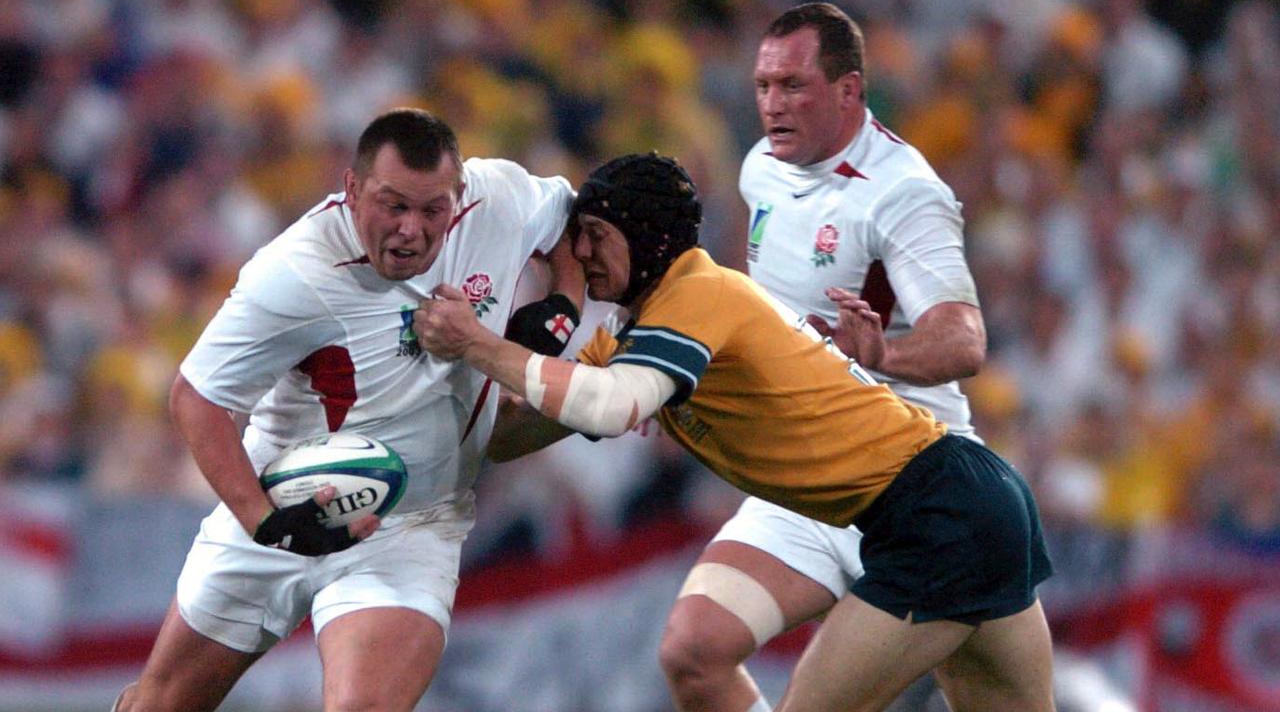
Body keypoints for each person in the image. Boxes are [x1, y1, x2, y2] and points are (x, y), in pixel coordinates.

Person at [413, 152, 1055, 711]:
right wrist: (487, 364)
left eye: (595, 236)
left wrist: (478, 345)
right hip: (963, 501)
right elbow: (509, 438)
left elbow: (609, 408)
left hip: (940, 513)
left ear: (645, 239)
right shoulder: (634, 337)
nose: (580, 254)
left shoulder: (697, 293)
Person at [114, 108, 583, 712]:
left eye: (431, 210)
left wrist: (562, 301)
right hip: (279, 500)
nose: (411, 229)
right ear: (353, 188)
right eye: (393, 205)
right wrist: (266, 523)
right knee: (161, 704)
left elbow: (573, 221)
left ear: (460, 195)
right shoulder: (294, 274)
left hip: (411, 526)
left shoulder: (501, 199)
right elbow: (197, 397)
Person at [661, 3, 988, 712]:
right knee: (693, 652)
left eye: (794, 87)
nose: (773, 106)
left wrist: (886, 353)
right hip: (810, 482)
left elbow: (965, 340)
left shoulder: (904, 193)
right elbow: (757, 312)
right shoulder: (761, 170)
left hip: (918, 486)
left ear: (849, 89)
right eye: (764, 87)